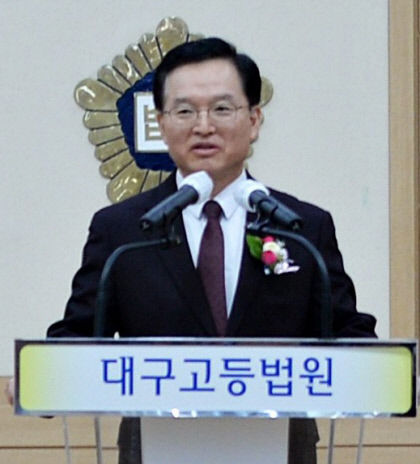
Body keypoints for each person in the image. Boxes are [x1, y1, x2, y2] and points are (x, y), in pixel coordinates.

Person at [20, 38, 378, 463]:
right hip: (156, 449)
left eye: (222, 109)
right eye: (185, 111)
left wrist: (385, 371)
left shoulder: (302, 227)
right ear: (161, 123)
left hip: (279, 448)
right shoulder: (122, 231)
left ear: (254, 120)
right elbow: (80, 334)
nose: (203, 126)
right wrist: (36, 377)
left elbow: (347, 333)